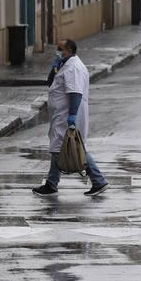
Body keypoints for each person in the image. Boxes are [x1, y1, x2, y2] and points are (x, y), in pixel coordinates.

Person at [32, 38, 109, 197]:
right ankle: (52, 184)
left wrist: (72, 116)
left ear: (69, 50)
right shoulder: (64, 65)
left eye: (60, 49)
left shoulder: (73, 67)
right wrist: (54, 67)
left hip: (68, 114)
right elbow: (50, 83)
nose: (57, 51)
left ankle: (97, 180)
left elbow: (75, 92)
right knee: (60, 148)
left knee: (73, 148)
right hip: (62, 114)